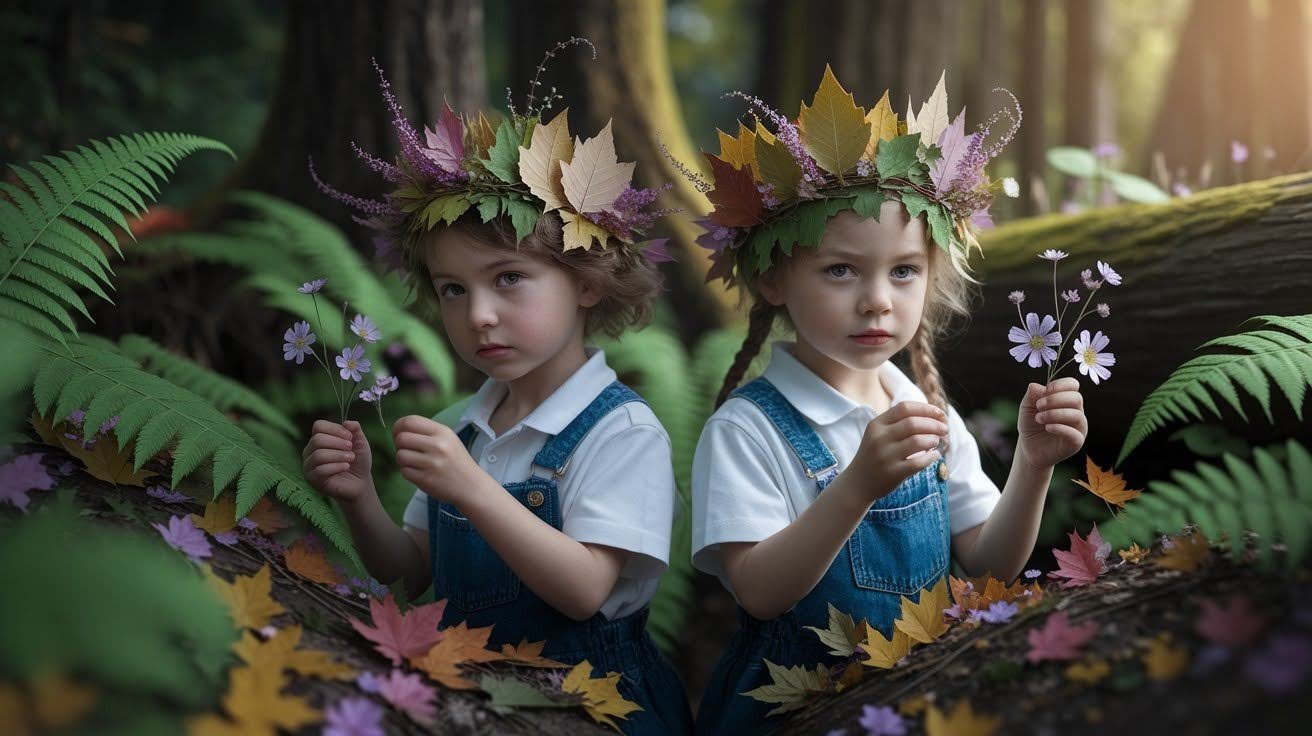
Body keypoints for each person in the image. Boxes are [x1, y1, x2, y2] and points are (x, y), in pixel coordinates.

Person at [302, 40, 693, 734]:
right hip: (463, 691)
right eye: (454, 289)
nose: (477, 314)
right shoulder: (465, 424)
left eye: (508, 279)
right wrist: (361, 496)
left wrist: (473, 489)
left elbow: (584, 590)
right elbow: (411, 569)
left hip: (588, 705)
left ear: (586, 280)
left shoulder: (620, 431)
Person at [689, 67, 1087, 734]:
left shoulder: (921, 405)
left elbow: (990, 562)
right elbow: (758, 593)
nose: (877, 299)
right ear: (773, 280)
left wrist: (1034, 463)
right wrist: (857, 486)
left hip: (919, 691)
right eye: (840, 270)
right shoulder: (747, 430)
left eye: (903, 271)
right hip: (792, 708)